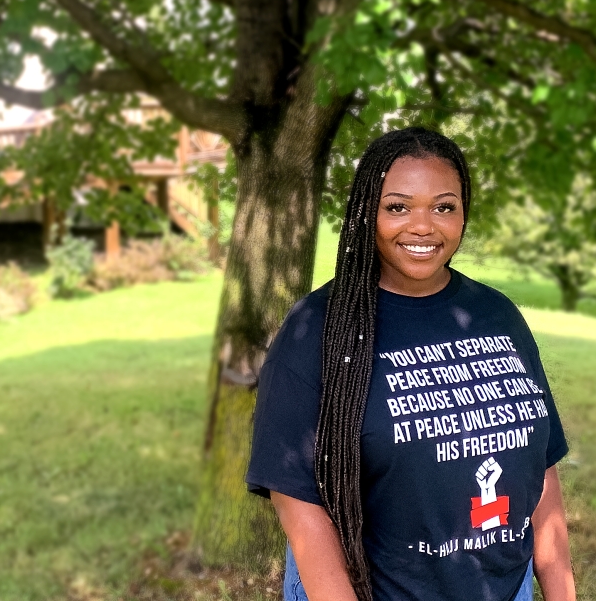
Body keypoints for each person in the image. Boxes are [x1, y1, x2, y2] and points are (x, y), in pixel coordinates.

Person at [246, 127, 576, 601]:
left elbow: (541, 468)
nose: (423, 227)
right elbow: (299, 503)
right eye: (397, 207)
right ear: (367, 212)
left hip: (503, 587)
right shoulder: (317, 328)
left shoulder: (497, 314)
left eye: (444, 207)